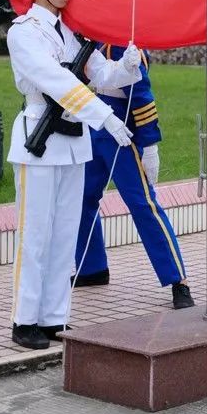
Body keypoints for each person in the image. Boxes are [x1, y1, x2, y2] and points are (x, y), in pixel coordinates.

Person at [7, 0, 142, 350]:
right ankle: (23, 319)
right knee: (35, 235)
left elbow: (102, 76)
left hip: (73, 144)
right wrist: (104, 117)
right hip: (40, 140)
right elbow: (58, 82)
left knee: (64, 235)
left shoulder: (73, 34)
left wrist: (129, 65)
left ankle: (52, 318)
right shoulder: (23, 32)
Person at [74, 43, 193, 310]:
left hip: (122, 129)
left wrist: (149, 143)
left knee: (142, 204)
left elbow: (141, 94)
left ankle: (178, 279)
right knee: (81, 198)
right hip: (94, 120)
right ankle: (91, 267)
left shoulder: (123, 42)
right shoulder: (90, 36)